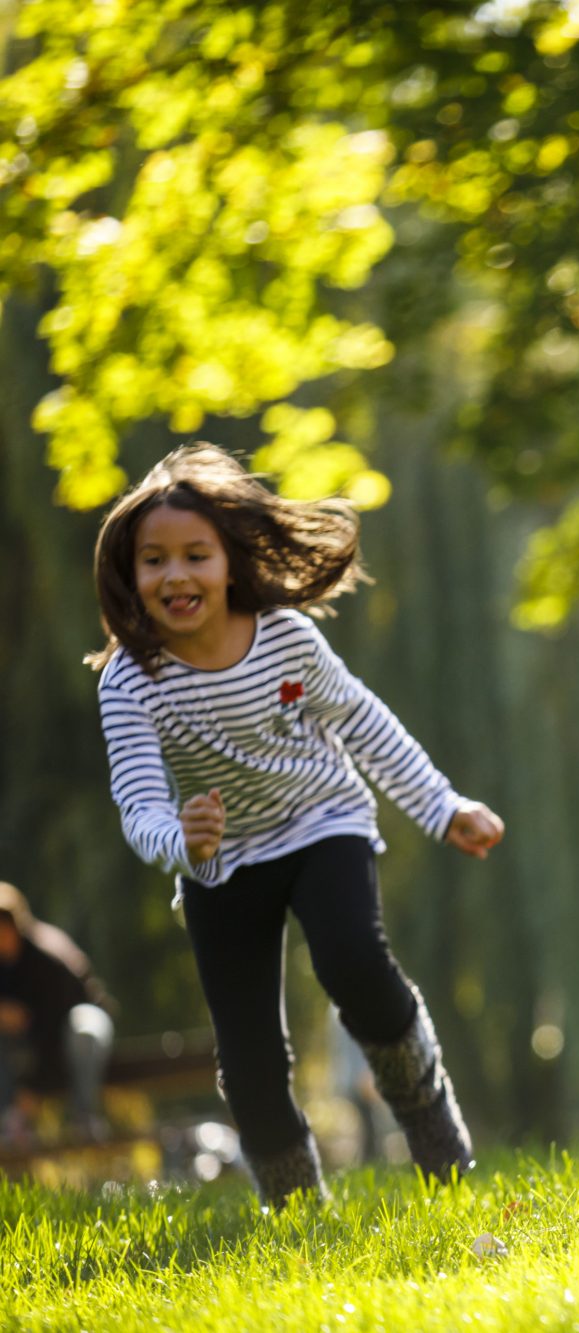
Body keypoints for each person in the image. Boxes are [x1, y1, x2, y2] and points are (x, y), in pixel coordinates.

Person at [90, 445, 504, 1206]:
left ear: (229, 560)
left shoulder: (285, 637)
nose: (175, 576)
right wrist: (186, 841)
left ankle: (432, 1128)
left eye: (194, 555)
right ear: (129, 572)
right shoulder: (129, 679)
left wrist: (443, 806)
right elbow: (139, 802)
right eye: (154, 560)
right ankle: (298, 1208)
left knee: (354, 964)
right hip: (219, 862)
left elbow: (365, 723)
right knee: (249, 1058)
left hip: (322, 821)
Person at [0, 882, 115, 1144]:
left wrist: (31, 1087)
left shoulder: (47, 955)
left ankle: (85, 1119)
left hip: (70, 1034)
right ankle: (7, 1122)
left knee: (83, 1030)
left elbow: (52, 1024)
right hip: (28, 1049)